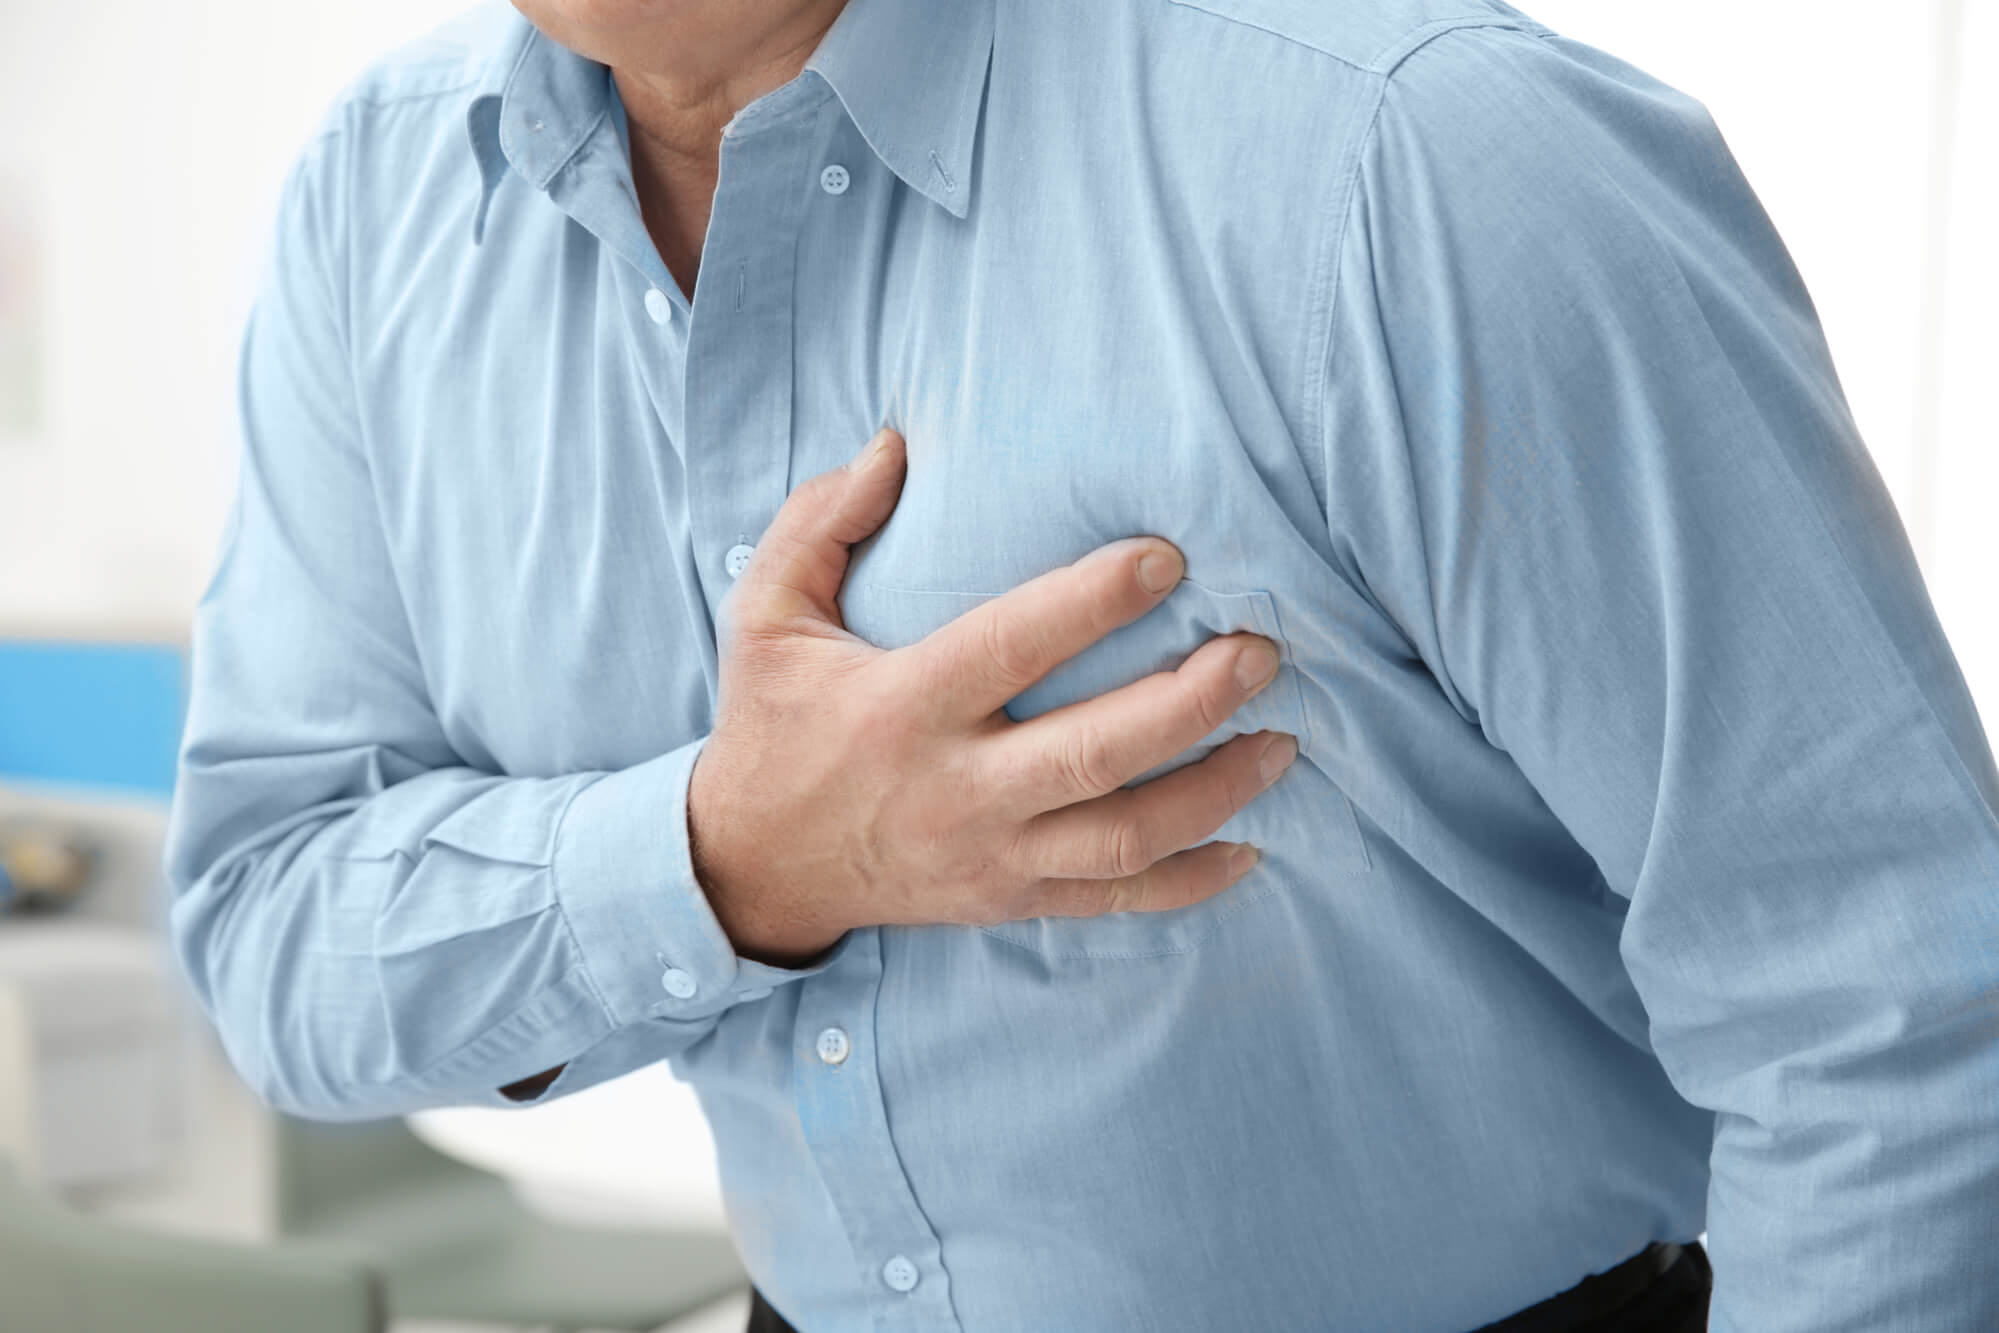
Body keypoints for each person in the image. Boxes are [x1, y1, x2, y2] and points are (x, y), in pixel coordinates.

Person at [162, 0, 1999, 1327]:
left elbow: (1890, 1003)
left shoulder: (1409, 149)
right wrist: (729, 860)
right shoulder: (375, 211)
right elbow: (270, 928)